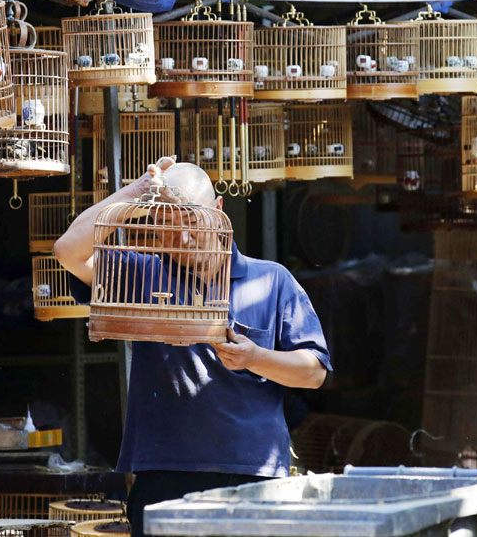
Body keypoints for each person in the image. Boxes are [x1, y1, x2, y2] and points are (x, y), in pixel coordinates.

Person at [54, 156, 331, 537]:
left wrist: (255, 357)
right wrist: (136, 191)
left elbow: (313, 372)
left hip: (253, 474)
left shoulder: (272, 280)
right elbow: (67, 251)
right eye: (167, 223)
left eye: (191, 221)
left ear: (218, 210)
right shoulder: (141, 273)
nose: (181, 238)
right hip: (165, 472)